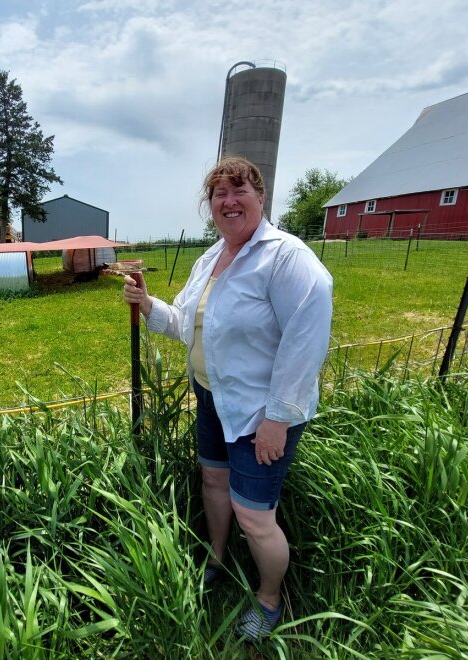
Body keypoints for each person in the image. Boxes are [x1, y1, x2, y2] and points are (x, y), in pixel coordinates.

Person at [122, 156, 333, 641]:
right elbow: (186, 322)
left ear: (260, 198)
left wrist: (279, 418)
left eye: (240, 191)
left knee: (256, 516)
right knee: (214, 482)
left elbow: (305, 340)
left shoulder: (285, 257)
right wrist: (150, 304)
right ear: (210, 205)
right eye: (219, 194)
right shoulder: (209, 258)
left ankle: (270, 599)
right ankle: (216, 560)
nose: (229, 201)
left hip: (263, 411)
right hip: (213, 399)